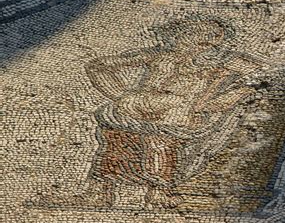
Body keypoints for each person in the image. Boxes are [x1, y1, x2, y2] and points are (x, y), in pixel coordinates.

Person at [35, 16, 265, 209]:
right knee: (115, 144)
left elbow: (260, 76)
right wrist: (120, 95)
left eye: (209, 38)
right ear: (176, 35)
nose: (199, 41)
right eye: (189, 34)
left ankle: (159, 193)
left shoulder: (223, 62)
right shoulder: (157, 55)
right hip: (131, 108)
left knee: (160, 145)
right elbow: (98, 66)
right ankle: (99, 193)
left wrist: (213, 104)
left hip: (175, 112)